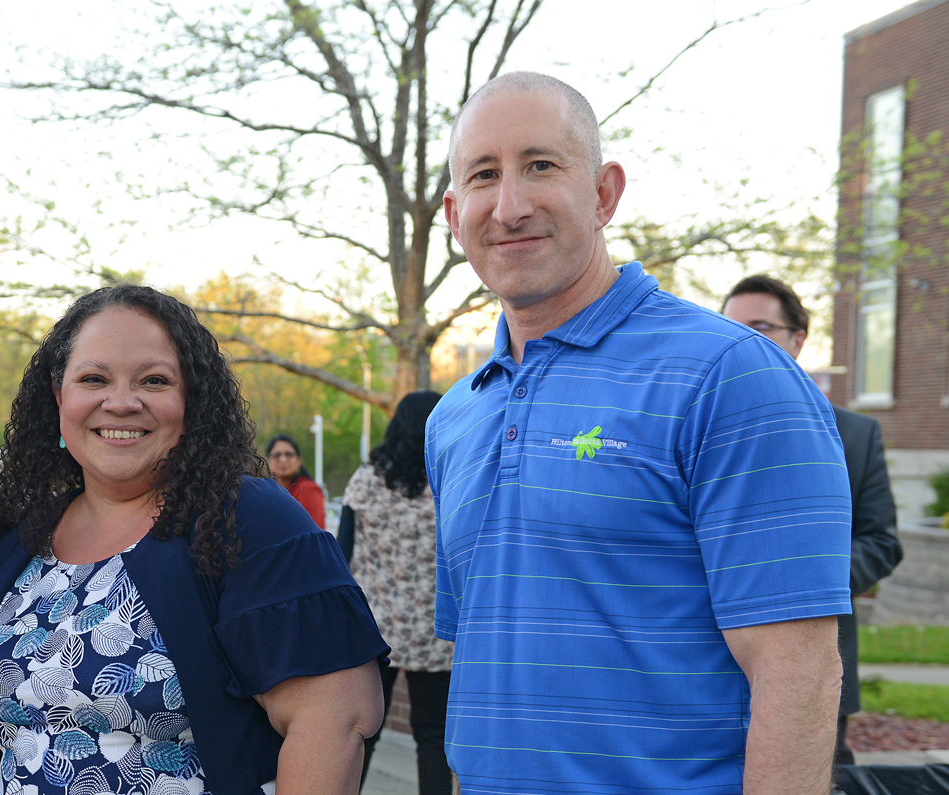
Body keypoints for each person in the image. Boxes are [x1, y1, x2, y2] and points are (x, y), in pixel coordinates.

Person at [428, 72, 850, 793]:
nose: (509, 205)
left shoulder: (731, 375)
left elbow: (798, 670)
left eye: (540, 165)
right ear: (452, 210)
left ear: (603, 194)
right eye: (483, 175)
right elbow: (486, 665)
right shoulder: (454, 417)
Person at [0, 283, 388, 795]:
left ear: (192, 401)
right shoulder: (21, 539)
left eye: (154, 380)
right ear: (59, 397)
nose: (120, 402)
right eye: (93, 378)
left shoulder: (248, 519)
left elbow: (333, 723)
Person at [722, 273, 904, 766]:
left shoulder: (857, 434)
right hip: (704, 674)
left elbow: (882, 542)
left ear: (797, 339)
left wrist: (804, 577)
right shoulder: (694, 424)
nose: (743, 340)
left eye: (761, 327)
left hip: (816, 674)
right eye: (730, 327)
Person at [338, 389, 450, 795]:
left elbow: (342, 553)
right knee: (434, 738)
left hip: (376, 630)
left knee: (362, 734)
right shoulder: (452, 478)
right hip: (437, 633)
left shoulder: (368, 478)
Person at [266, 433, 326, 528]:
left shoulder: (308, 489)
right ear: (268, 460)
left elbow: (310, 533)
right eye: (277, 455)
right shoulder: (265, 490)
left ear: (299, 460)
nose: (283, 459)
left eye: (289, 454)